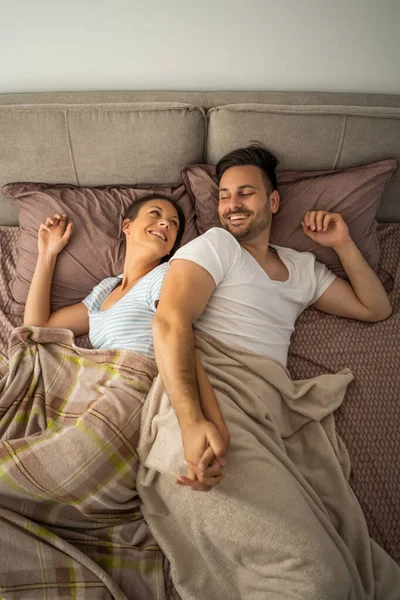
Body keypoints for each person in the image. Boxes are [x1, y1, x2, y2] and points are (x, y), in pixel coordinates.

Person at [152, 143, 393, 492]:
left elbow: (376, 309)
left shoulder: (302, 268)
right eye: (224, 196)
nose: (232, 205)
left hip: (265, 399)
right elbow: (170, 321)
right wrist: (191, 423)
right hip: (207, 387)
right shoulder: (217, 244)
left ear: (273, 202)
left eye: (246, 194)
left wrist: (342, 244)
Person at [23, 194, 229, 488]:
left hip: (131, 391)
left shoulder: (165, 275)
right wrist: (47, 255)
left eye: (173, 224)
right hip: (93, 391)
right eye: (156, 214)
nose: (165, 224)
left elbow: (180, 338)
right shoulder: (105, 290)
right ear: (127, 226)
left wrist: (213, 424)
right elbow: (36, 327)